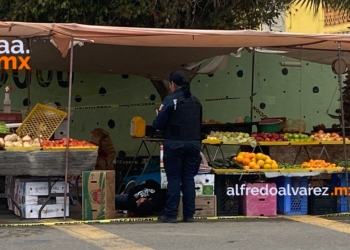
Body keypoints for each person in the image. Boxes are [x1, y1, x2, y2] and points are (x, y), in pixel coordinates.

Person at [153, 70, 202, 223]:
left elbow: (158, 125)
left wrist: (157, 116)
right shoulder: (196, 101)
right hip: (194, 144)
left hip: (174, 144)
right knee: (189, 178)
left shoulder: (171, 100)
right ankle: (189, 215)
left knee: (174, 179)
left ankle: (171, 214)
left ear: (172, 84)